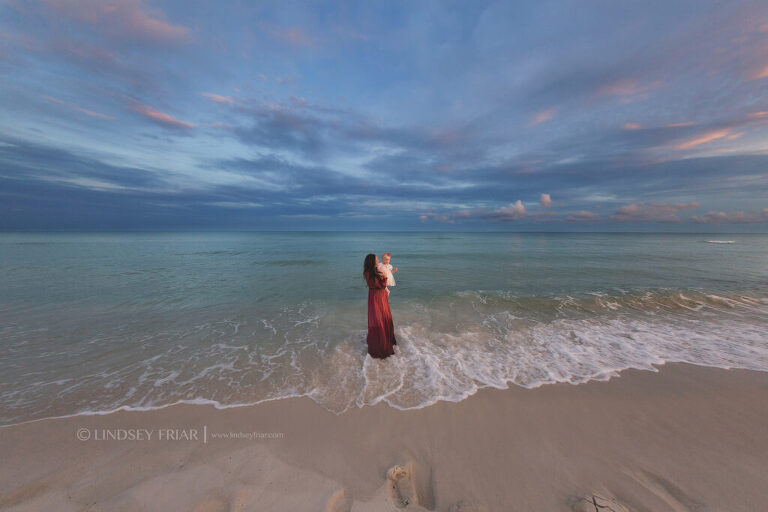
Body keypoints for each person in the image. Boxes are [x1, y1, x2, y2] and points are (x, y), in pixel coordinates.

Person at [363, 253, 397, 359]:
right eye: (376, 259)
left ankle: (386, 339)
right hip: (377, 297)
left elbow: (381, 284)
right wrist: (385, 277)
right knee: (379, 318)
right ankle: (380, 344)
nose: (378, 261)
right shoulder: (371, 273)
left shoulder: (373, 271)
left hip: (379, 296)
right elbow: (380, 285)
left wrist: (386, 275)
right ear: (372, 261)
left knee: (383, 316)